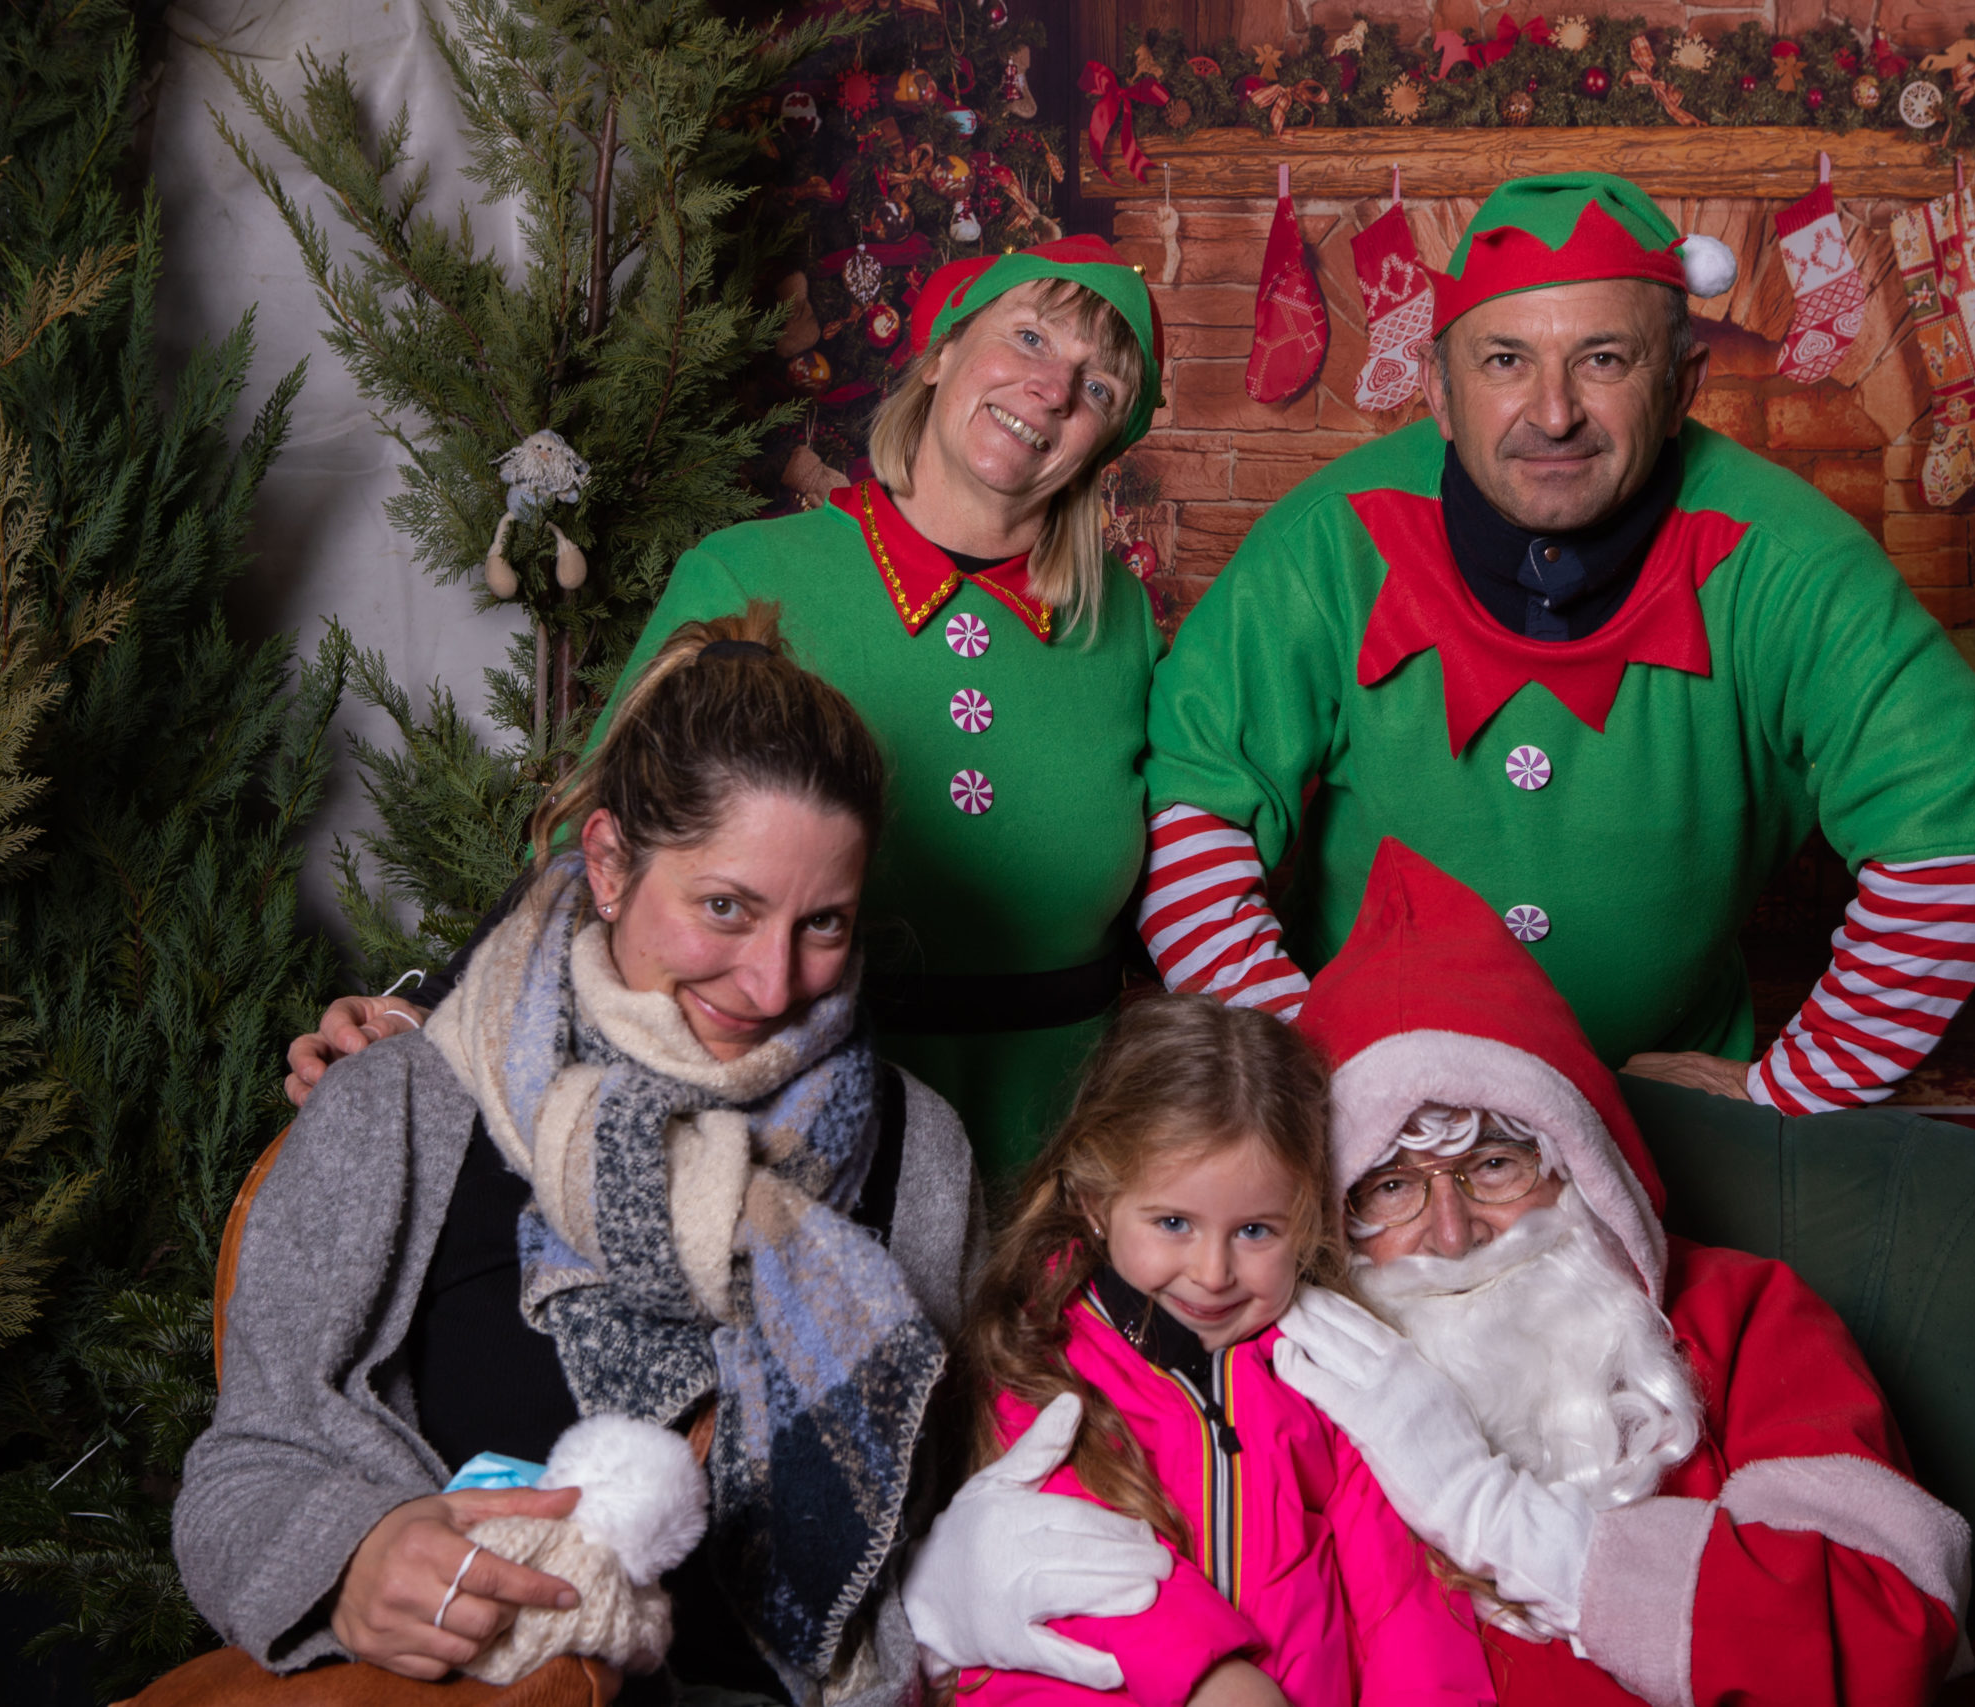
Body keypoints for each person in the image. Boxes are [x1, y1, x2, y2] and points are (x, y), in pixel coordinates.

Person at [910, 840, 1973, 1707]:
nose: (1453, 1232)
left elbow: (1890, 1632)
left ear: (1581, 1165)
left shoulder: (1742, 1319)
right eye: (1391, 1188)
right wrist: (939, 1611)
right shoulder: (1275, 1374)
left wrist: (1495, 1512)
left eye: (1496, 1164)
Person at [176, 603, 981, 1702]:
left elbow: (958, 1527)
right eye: (725, 907)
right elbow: (240, 1470)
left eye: (823, 923)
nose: (771, 984)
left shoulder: (916, 1148)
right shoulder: (403, 1106)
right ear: (608, 863)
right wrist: (351, 1560)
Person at [1137, 172, 1975, 1116]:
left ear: (1682, 387)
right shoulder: (1327, 539)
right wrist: (1315, 1080)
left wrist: (1795, 1089)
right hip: (1379, 1111)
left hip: (1670, 1117)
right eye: (1504, 361)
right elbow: (1191, 809)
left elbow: (1964, 849)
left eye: (1604, 359)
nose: (1554, 412)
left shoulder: (1793, 559)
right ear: (1440, 394)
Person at [287, 235, 1168, 1179]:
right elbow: (594, 849)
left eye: (1098, 387)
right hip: (779, 1161)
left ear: (1104, 444)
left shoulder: (1127, 628)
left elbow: (1184, 887)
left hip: (1062, 1177)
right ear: (944, 350)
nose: (1052, 389)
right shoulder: (747, 573)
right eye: (1029, 337)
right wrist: (433, 1013)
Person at [941, 990, 1495, 1707]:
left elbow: (1403, 1601)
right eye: (1173, 1223)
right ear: (1096, 1202)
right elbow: (1063, 1559)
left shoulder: (1332, 1369)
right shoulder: (1038, 1348)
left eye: (1255, 1231)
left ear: (1306, 1223)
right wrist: (1215, 1681)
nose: (1212, 1273)